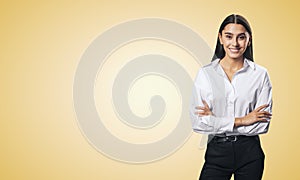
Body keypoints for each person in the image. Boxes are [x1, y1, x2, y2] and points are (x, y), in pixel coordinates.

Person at [190, 14, 273, 180]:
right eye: (229, 36)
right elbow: (198, 123)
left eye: (241, 37)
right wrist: (243, 120)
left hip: (250, 153)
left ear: (249, 40)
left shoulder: (260, 75)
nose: (234, 43)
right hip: (217, 153)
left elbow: (260, 126)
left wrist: (215, 120)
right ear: (220, 38)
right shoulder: (206, 74)